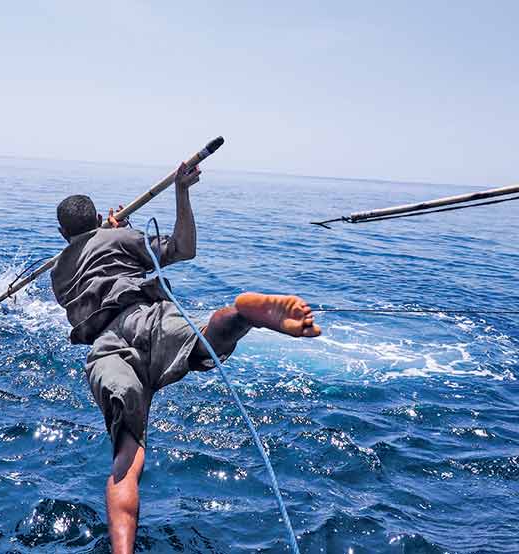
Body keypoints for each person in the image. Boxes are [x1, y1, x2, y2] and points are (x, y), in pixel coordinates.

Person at [49, 161, 321, 553]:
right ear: (96, 217)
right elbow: (183, 248)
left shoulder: (58, 274)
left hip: (108, 347)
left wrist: (103, 233)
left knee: (127, 458)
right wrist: (179, 192)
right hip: (150, 319)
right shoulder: (119, 239)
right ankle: (242, 315)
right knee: (207, 341)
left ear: (62, 234)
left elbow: (85, 260)